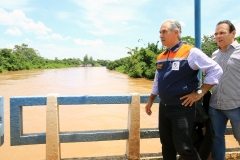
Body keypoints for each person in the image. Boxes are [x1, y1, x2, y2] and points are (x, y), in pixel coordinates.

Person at [145, 19, 223, 160]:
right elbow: (157, 80)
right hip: (164, 107)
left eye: (164, 31)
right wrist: (151, 99)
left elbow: (216, 69)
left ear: (176, 32)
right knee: (166, 145)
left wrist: (200, 92)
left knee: (184, 147)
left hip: (182, 107)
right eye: (159, 32)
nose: (160, 35)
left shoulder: (190, 52)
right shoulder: (161, 56)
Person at [208, 20, 240, 160]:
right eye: (216, 33)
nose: (218, 36)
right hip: (215, 106)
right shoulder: (214, 55)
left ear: (233, 33)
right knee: (216, 139)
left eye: (222, 33)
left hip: (236, 106)